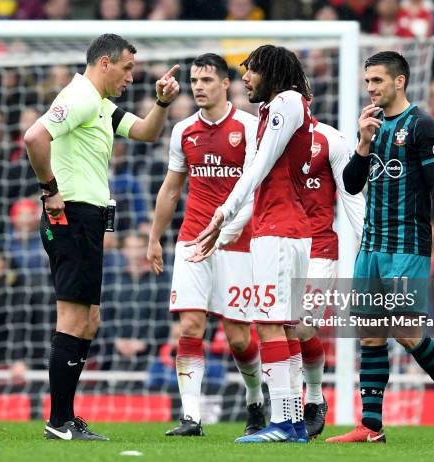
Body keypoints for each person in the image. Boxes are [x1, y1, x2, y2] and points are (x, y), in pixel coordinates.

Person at [24, 33, 180, 441]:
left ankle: (65, 418)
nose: (132, 76)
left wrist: (162, 102)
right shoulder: (79, 97)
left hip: (87, 220)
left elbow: (145, 131)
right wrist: (50, 190)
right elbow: (34, 137)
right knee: (74, 318)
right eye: (127, 68)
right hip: (70, 215)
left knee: (89, 319)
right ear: (105, 63)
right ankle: (58, 422)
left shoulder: (101, 104)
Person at [325, 51, 434, 445]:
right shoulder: (372, 127)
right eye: (367, 81)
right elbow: (353, 185)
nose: (370, 88)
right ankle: (371, 427)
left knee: (406, 331)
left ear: (400, 81)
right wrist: (362, 142)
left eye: (377, 81)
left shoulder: (423, 126)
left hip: (408, 244)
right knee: (371, 333)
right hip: (371, 244)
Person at [188, 45, 314, 443]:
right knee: (286, 326)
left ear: (271, 71)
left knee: (270, 325)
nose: (245, 78)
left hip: (279, 230)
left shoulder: (286, 103)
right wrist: (223, 230)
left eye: (251, 71)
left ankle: (281, 423)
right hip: (280, 226)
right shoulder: (280, 108)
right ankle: (292, 423)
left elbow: (256, 169)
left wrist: (223, 211)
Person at [147, 53, 265, 437]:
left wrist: (230, 230)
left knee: (238, 336)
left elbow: (256, 190)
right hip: (193, 239)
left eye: (206, 80)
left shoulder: (249, 127)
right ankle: (191, 417)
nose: (198, 86)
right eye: (195, 80)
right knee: (191, 326)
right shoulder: (183, 130)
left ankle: (254, 399)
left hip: (237, 242)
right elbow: (171, 189)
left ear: (225, 84)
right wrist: (154, 238)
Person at [296, 116, 366, 438]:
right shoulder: (265, 135)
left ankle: (312, 397)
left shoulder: (330, 140)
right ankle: (277, 409)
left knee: (301, 325)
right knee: (275, 329)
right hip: (275, 245)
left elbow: (350, 194)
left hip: (319, 248)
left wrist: (369, 244)